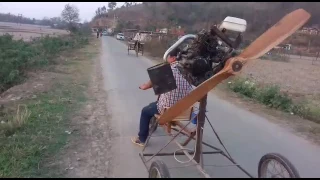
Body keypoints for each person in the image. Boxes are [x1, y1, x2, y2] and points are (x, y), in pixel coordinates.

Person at [131, 48, 193, 147]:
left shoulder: (167, 70)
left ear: (172, 58)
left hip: (167, 110)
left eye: (168, 57)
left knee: (145, 111)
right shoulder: (189, 72)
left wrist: (143, 86)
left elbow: (149, 84)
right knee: (154, 104)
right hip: (184, 111)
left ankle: (141, 139)